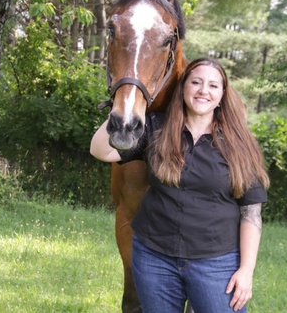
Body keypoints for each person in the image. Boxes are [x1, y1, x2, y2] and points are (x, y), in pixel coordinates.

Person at [90, 58, 269, 313]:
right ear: (183, 87)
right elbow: (100, 151)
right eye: (195, 82)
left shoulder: (239, 144)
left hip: (215, 263)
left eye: (212, 85)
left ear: (222, 95)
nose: (203, 91)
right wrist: (122, 107)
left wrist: (246, 270)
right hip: (153, 258)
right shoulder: (156, 129)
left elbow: (251, 211)